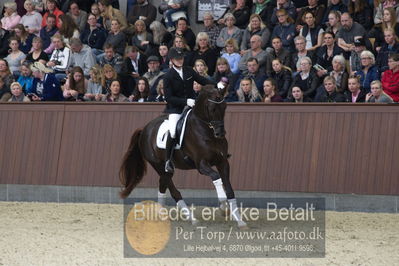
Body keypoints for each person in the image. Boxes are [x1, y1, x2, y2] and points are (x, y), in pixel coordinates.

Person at [162, 47, 214, 173]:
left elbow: (202, 80)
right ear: (172, 60)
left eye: (182, 58)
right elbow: (169, 98)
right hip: (176, 108)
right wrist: (185, 101)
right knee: (174, 131)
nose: (180, 61)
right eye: (177, 59)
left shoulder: (189, 70)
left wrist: (216, 85)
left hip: (192, 105)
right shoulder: (168, 76)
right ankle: (168, 160)